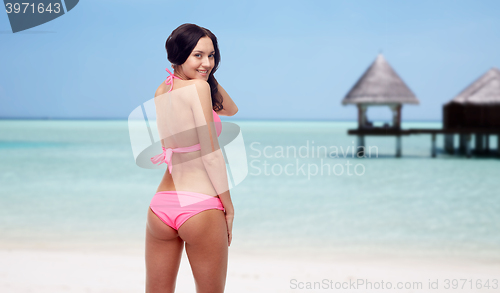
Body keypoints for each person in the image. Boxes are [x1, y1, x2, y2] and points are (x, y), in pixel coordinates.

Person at [145, 23, 238, 293]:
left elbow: (231, 109)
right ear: (179, 54)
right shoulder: (198, 90)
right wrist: (229, 208)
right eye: (198, 55)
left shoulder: (162, 90)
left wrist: (206, 77)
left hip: (160, 208)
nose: (207, 63)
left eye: (211, 56)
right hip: (200, 207)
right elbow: (211, 155)